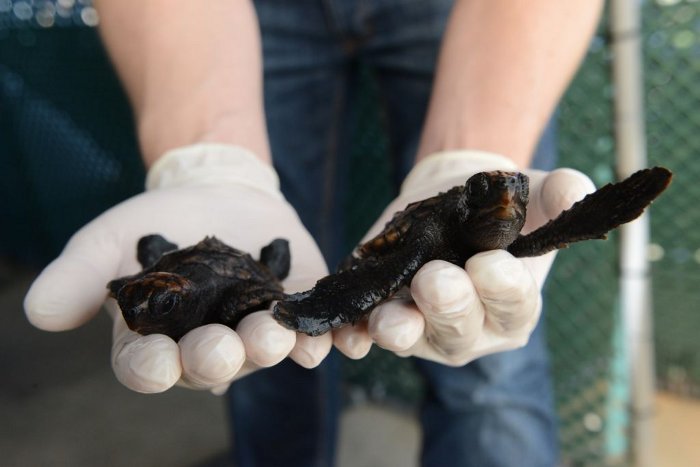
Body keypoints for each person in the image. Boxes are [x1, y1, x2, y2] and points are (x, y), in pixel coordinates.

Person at [24, 1, 604, 465]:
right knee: (266, 353)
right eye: (489, 191)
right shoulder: (433, 227)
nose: (505, 201)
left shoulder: (501, 215)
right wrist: (207, 156)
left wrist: (479, 146)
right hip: (249, 14)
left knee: (488, 349)